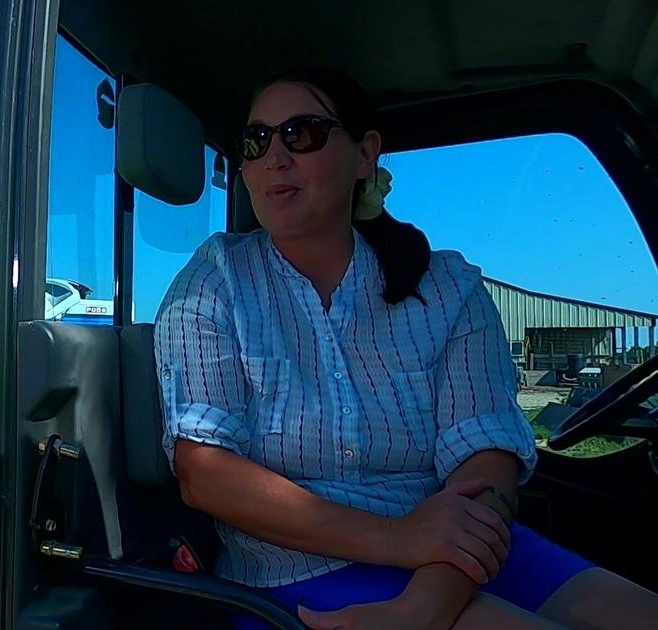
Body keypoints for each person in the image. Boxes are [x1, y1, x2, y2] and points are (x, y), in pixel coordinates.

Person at [153, 66, 658, 629]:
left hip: (463, 547)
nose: (276, 155)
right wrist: (399, 539)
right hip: (293, 572)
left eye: (302, 133)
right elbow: (205, 473)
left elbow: (485, 461)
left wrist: (431, 597)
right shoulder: (215, 282)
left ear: (365, 155)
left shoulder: (447, 289)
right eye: (257, 140)